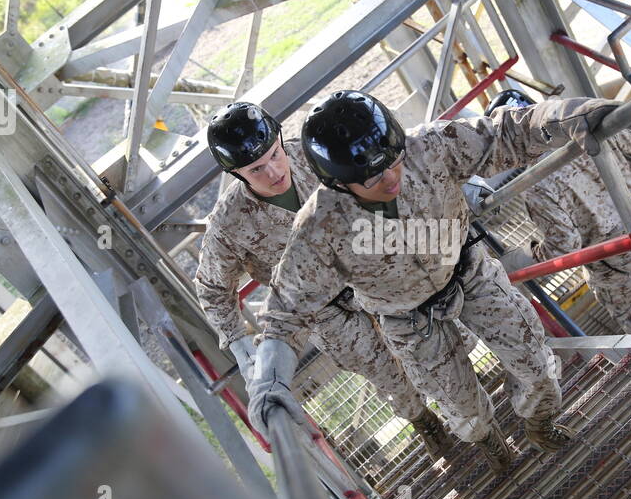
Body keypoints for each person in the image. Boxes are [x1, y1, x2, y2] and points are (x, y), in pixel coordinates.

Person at [246, 88, 631, 473]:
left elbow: (508, 131)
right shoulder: (320, 228)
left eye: (394, 161)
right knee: (461, 407)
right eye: (371, 179)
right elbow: (284, 314)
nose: (390, 179)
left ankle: (538, 424)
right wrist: (270, 381)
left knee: (537, 366)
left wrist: (575, 115)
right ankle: (490, 442)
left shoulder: (429, 146)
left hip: (469, 272)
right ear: (337, 184)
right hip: (409, 318)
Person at [192, 101, 460, 459]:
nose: (273, 171)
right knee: (386, 374)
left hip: (375, 275)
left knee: (430, 343)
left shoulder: (315, 157)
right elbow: (211, 288)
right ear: (238, 174)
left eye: (275, 155)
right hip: (327, 314)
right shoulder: (230, 223)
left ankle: (464, 407)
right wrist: (241, 347)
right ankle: (424, 420)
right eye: (257, 169)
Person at [487, 88, 631, 333]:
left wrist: (517, 260)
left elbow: (564, 245)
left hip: (609, 259)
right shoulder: (589, 124)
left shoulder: (535, 183)